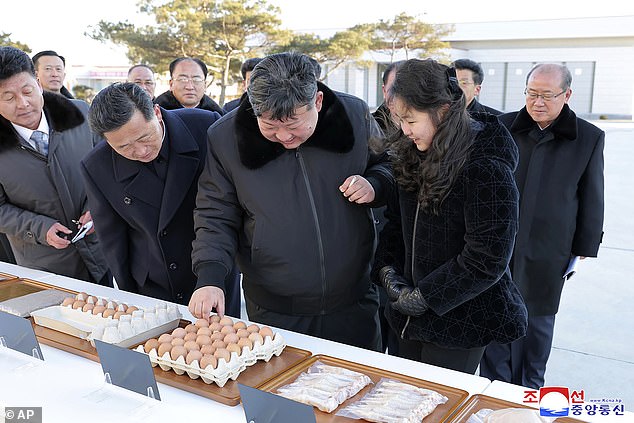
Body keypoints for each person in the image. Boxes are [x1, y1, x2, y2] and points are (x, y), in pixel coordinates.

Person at [189, 52, 394, 351]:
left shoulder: (354, 115)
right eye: (270, 126)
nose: (284, 136)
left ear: (318, 102)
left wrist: (375, 184)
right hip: (275, 307)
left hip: (353, 299)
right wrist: (210, 276)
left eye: (294, 123)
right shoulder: (226, 137)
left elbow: (388, 164)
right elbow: (214, 213)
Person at [374, 58, 527, 374]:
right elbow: (396, 224)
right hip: (406, 315)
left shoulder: (485, 166)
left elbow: (488, 258)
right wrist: (389, 273)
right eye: (399, 120)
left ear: (442, 110)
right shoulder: (413, 153)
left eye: (411, 120)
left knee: (439, 406)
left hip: (460, 322)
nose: (404, 130)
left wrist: (426, 297)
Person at [480, 63, 605, 388]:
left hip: (550, 248)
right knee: (496, 318)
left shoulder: (588, 137)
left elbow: (592, 195)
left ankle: (531, 393)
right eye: (532, 94)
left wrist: (583, 248)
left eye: (547, 95)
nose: (537, 102)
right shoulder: (502, 126)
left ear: (567, 95)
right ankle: (497, 392)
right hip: (500, 243)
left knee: (537, 326)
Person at [81, 82, 241, 312]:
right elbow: (112, 237)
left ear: (156, 113)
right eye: (124, 147)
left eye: (145, 137)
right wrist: (131, 296)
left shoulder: (206, 126)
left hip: (214, 268)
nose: (141, 151)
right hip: (154, 279)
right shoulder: (97, 165)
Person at [0, 46, 109, 284]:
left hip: (101, 252)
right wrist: (40, 229)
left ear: (38, 84)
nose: (23, 103)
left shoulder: (79, 112)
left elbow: (108, 168)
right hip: (45, 265)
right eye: (8, 98)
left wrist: (97, 207)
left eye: (28, 91)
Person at [155, 57, 224, 115]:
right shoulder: (155, 112)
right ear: (171, 84)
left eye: (196, 80)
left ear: (205, 85)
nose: (189, 87)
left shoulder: (216, 114)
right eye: (183, 79)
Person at [372, 61, 403, 135]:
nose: (400, 96)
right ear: (384, 91)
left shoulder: (430, 128)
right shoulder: (369, 128)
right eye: (394, 90)